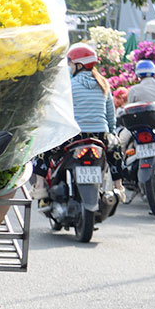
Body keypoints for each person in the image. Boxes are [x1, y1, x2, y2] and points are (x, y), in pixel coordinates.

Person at [65, 42, 125, 199]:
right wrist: (112, 134)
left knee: (44, 151)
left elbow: (63, 111)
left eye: (70, 63)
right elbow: (111, 115)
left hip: (76, 136)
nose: (69, 67)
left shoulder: (70, 85)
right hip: (100, 136)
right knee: (116, 150)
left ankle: (40, 186)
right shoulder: (104, 84)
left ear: (79, 65)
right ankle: (119, 186)